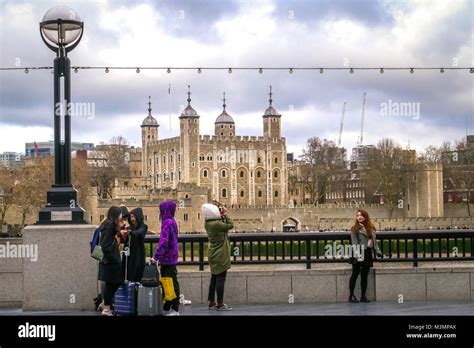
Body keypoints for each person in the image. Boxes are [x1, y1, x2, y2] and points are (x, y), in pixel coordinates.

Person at [202, 203, 234, 310]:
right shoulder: (216, 224)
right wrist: (225, 214)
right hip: (220, 255)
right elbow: (230, 225)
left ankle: (211, 302)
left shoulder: (207, 223)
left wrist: (220, 216)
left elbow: (220, 223)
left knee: (214, 278)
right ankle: (220, 304)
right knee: (220, 279)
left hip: (213, 254)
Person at [151, 201, 180, 316]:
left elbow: (163, 242)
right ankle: (168, 306)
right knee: (169, 282)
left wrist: (156, 256)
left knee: (170, 283)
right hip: (172, 257)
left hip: (167, 258)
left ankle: (175, 308)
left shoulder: (166, 223)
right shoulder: (173, 221)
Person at [348, 209, 383, 303]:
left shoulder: (370, 228)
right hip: (358, 253)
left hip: (367, 253)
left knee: (364, 276)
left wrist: (378, 251)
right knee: (354, 275)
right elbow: (354, 243)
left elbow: (374, 242)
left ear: (365, 217)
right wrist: (357, 255)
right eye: (357, 215)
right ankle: (351, 296)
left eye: (361, 215)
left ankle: (363, 296)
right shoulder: (354, 229)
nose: (359, 217)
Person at [98, 206, 124, 316]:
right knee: (112, 283)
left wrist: (119, 233)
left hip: (108, 262)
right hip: (110, 262)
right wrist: (114, 259)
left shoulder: (109, 226)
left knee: (113, 283)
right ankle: (106, 309)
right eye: (120, 215)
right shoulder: (109, 227)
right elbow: (105, 246)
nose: (121, 217)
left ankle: (105, 303)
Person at [121, 207, 147, 282]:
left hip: (138, 256)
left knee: (136, 276)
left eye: (133, 216)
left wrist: (130, 232)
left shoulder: (143, 226)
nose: (131, 219)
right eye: (131, 216)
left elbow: (140, 233)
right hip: (129, 256)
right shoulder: (130, 227)